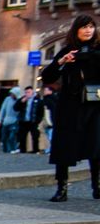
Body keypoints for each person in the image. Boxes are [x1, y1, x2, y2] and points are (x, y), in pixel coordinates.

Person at [42, 15, 100, 201]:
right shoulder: (67, 51)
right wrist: (61, 62)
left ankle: (97, 186)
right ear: (76, 30)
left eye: (91, 26)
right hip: (70, 106)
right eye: (84, 27)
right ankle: (62, 188)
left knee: (96, 147)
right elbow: (47, 77)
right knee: (64, 148)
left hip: (95, 104)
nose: (88, 30)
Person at [17, 86, 44, 154]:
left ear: (32, 92)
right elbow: (15, 108)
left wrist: (38, 120)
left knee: (35, 136)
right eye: (26, 92)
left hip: (33, 121)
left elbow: (41, 112)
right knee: (22, 136)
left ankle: (35, 150)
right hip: (23, 121)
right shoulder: (23, 99)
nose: (27, 94)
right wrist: (21, 102)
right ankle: (22, 149)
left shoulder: (37, 100)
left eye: (28, 92)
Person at [0, 86, 22, 154]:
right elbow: (3, 110)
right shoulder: (7, 99)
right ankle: (6, 150)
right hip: (6, 121)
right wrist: (0, 120)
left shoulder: (19, 101)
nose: (11, 95)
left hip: (14, 121)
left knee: (12, 136)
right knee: (4, 137)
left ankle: (13, 149)